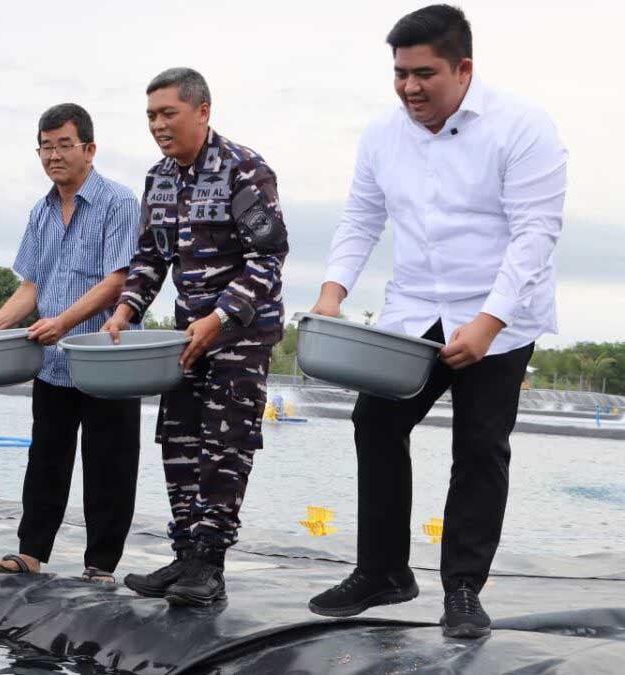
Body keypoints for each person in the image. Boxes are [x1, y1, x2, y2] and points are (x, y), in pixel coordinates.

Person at [305, 5, 566, 639]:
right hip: (415, 308)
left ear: (464, 68)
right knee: (377, 421)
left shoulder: (523, 126)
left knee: (479, 446)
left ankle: (463, 589)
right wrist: (332, 293)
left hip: (501, 313)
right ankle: (385, 571)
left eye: (424, 73)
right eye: (399, 73)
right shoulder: (382, 135)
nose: (410, 88)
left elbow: (536, 233)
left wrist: (488, 321)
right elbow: (363, 216)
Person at [104, 67, 288, 606]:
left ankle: (209, 563)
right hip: (187, 335)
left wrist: (221, 317)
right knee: (180, 444)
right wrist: (124, 312)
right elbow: (149, 260)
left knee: (225, 446)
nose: (158, 125)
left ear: (202, 111)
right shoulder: (158, 178)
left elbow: (268, 258)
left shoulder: (243, 170)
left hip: (241, 333)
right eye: (151, 116)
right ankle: (184, 553)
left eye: (169, 114)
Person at [0, 103, 142, 583]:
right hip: (53, 361)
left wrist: (64, 322)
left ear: (89, 149)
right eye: (45, 146)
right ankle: (31, 553)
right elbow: (30, 288)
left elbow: (119, 279)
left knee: (109, 464)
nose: (54, 155)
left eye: (64, 145)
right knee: (45, 456)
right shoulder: (40, 211)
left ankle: (101, 565)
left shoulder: (118, 202)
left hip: (106, 359)